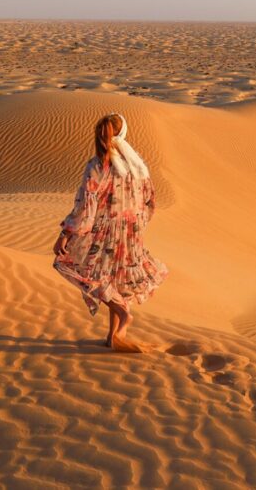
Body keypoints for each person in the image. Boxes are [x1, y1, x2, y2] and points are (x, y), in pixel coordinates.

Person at [53, 112, 168, 350]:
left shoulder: (97, 166)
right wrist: (136, 226)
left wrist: (66, 233)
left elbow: (86, 205)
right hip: (131, 233)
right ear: (123, 133)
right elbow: (150, 202)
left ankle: (122, 312)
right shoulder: (139, 167)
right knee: (117, 281)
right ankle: (112, 337)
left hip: (103, 233)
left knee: (75, 266)